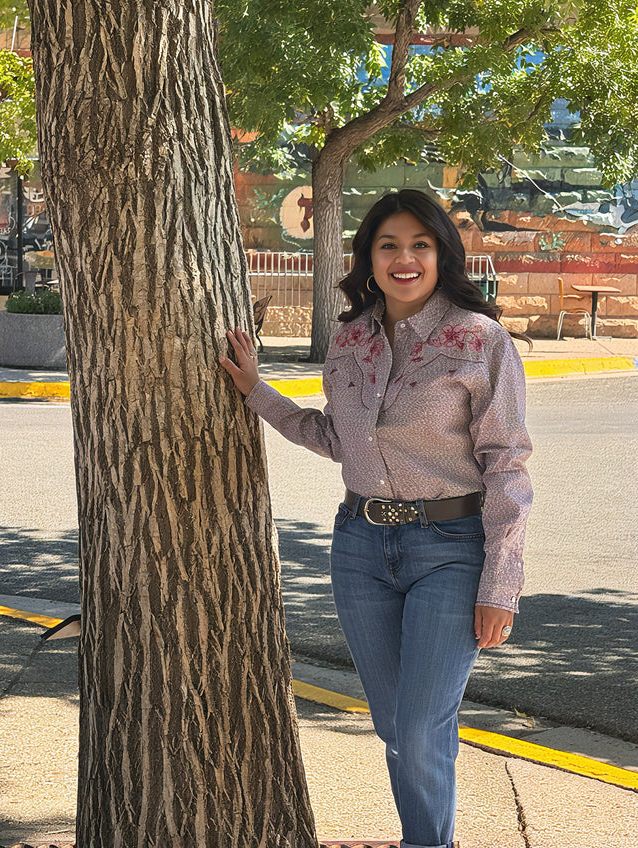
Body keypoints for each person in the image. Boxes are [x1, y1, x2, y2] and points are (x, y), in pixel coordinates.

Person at [219, 188, 532, 848]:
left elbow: (506, 464)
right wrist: (257, 391)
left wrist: (501, 585)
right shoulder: (351, 339)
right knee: (397, 726)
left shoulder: (480, 340)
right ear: (369, 258)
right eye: (389, 245)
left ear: (442, 255)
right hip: (361, 548)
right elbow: (337, 438)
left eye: (420, 244)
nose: (404, 258)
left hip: (451, 549)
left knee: (419, 729)